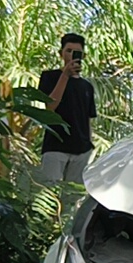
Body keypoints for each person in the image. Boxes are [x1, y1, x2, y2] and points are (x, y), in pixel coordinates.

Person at [37, 33, 97, 185]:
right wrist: (65, 75)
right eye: (68, 51)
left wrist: (89, 144)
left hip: (81, 149)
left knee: (71, 199)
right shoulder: (49, 77)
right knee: (49, 196)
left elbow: (88, 118)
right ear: (61, 53)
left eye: (76, 52)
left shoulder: (87, 86)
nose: (71, 55)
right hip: (55, 146)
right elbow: (50, 106)